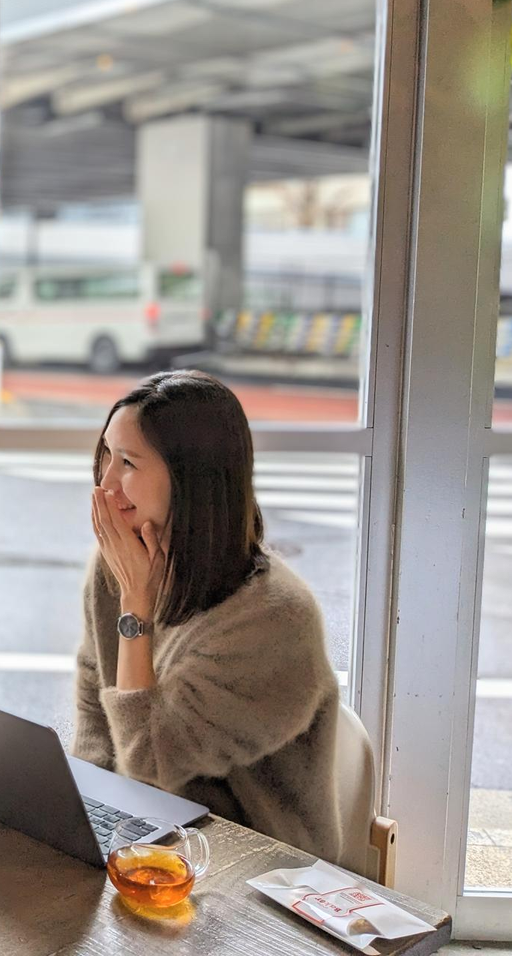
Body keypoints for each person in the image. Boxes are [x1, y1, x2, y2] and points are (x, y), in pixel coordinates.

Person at [71, 369, 342, 861]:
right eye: (106, 454)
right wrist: (85, 806)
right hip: (148, 833)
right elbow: (94, 688)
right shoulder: (120, 564)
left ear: (192, 479)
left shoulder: (275, 621)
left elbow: (150, 765)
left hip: (257, 865)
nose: (106, 483)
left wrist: (136, 609)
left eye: (128, 462)